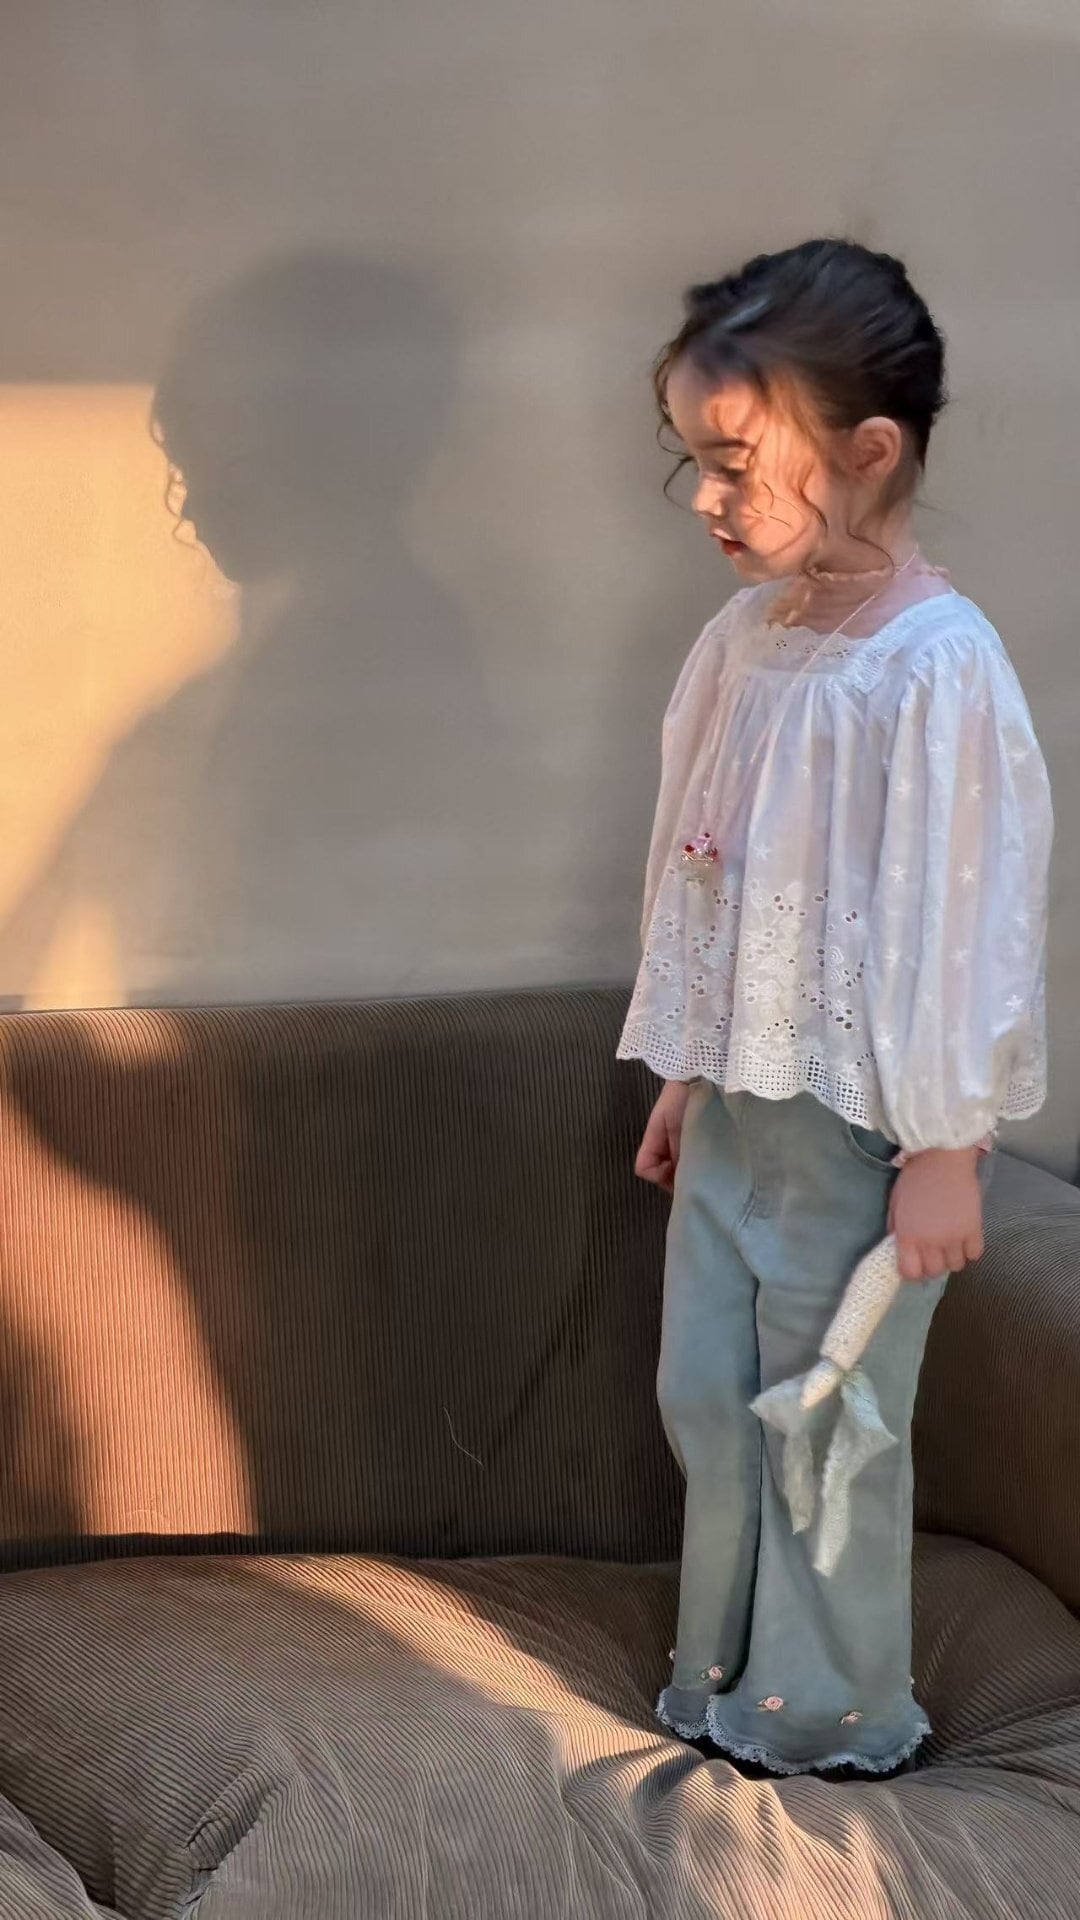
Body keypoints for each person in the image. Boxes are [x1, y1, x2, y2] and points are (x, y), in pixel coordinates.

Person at [618, 239, 1054, 1777]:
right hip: (740, 1112)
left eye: (737, 464)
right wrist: (687, 1070)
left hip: (860, 1134)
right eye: (693, 460)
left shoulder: (937, 669)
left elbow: (967, 924)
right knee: (707, 1395)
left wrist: (948, 1145)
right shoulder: (747, 643)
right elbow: (707, 878)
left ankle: (826, 1714)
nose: (706, 497)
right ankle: (723, 1676)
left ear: (868, 452)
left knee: (830, 1422)